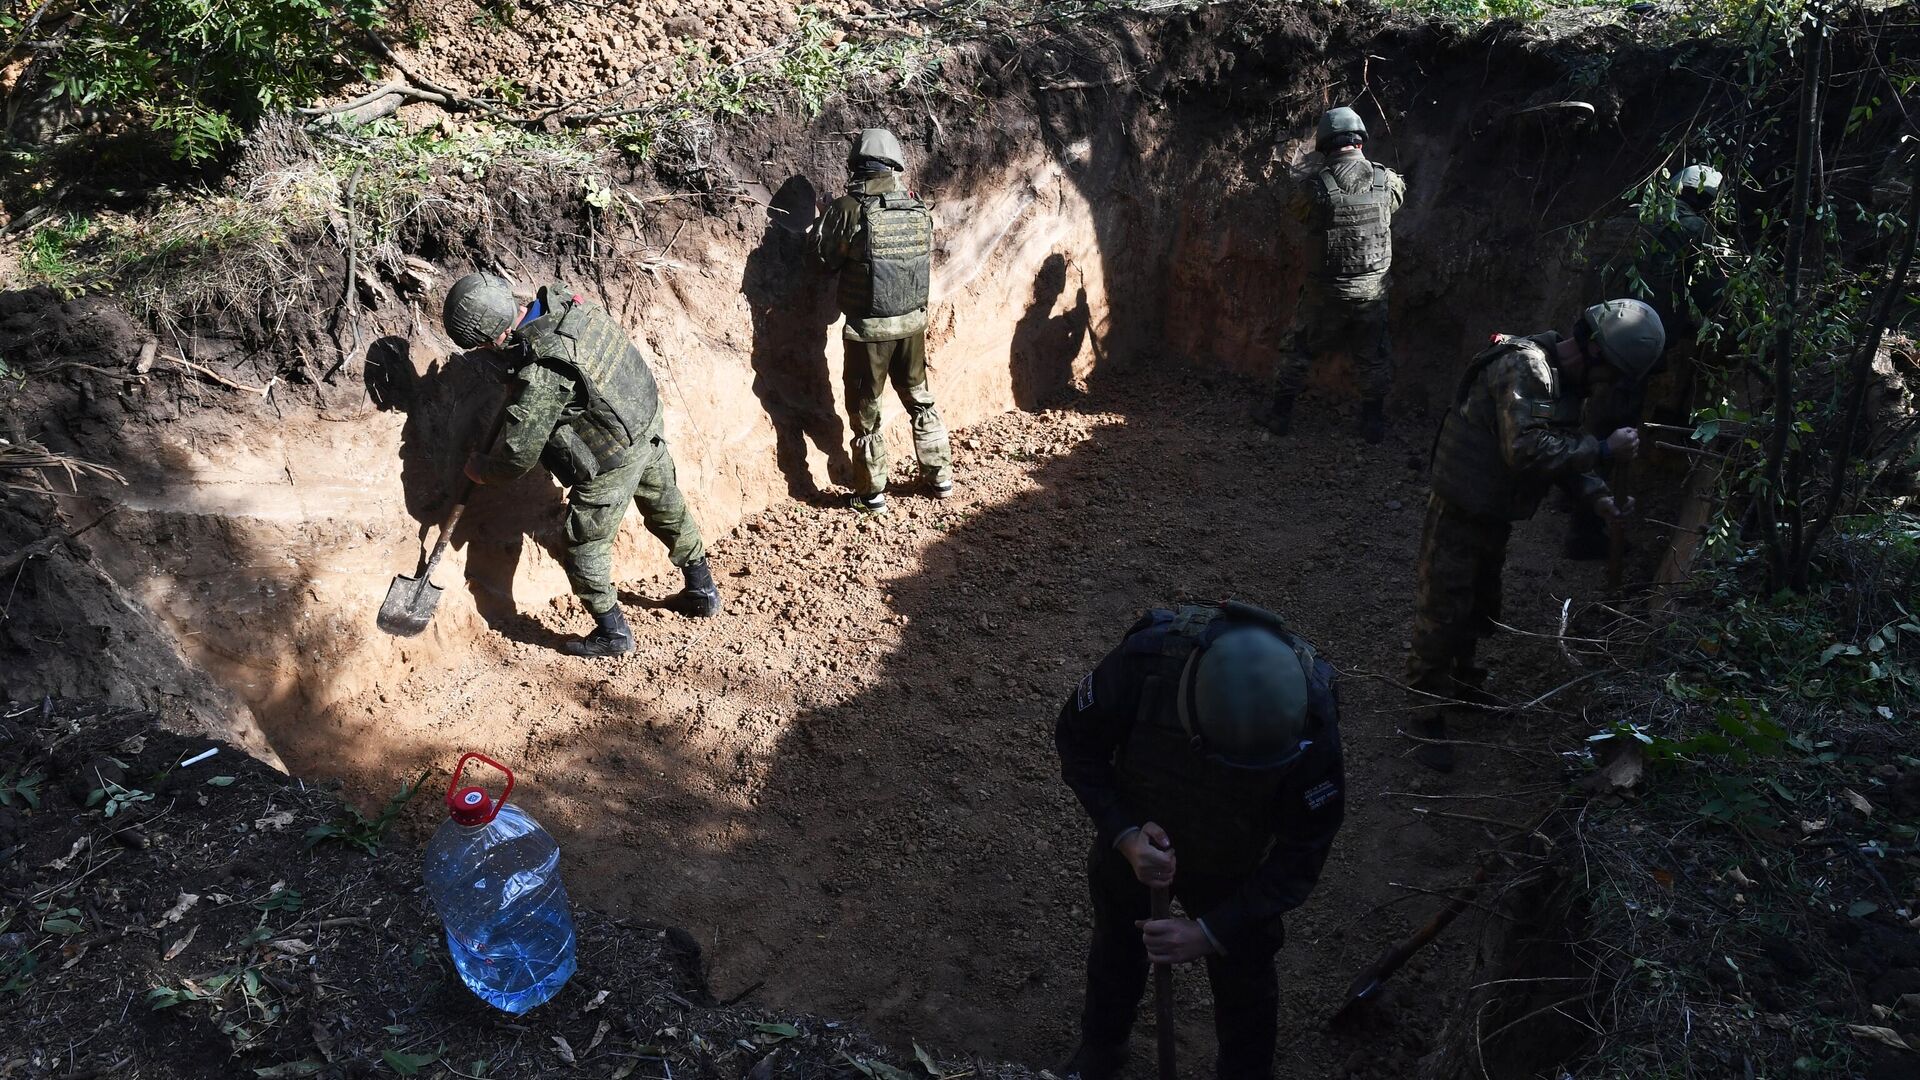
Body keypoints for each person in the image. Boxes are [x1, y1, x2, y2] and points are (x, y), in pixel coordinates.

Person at [1055, 601, 1346, 1080]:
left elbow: (1304, 848)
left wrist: (1211, 932)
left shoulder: (1311, 712)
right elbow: (1078, 744)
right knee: (1119, 943)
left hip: (1238, 859)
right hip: (1140, 838)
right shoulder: (1145, 662)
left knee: (1245, 971)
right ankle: (1103, 1047)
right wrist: (1126, 834)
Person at [1405, 299, 1665, 772]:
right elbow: (1526, 451)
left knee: (1479, 601)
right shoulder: (1525, 369)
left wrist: (1597, 497)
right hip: (1461, 509)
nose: (1606, 390)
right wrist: (1605, 449)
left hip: (1491, 511)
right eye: (1611, 376)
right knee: (1443, 607)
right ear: (1595, 355)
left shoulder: (1560, 380)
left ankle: (1464, 684)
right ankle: (1423, 712)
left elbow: (1561, 446)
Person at [442, 273, 721, 657]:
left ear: (495, 337)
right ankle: (702, 588)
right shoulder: (564, 303)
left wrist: (483, 470)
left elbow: (518, 457)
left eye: (483, 346)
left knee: (582, 545)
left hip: (613, 457)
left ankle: (612, 633)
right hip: (645, 423)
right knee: (665, 505)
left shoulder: (542, 371)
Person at [1565, 164, 1726, 558]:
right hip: (1629, 350)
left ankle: (1570, 493)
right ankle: (1588, 533)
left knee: (1575, 416)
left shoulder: (1627, 215)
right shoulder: (1695, 232)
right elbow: (1712, 296)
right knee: (1615, 434)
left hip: (1589, 334)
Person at [813, 126, 954, 513]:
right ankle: (939, 475)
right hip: (912, 324)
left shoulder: (849, 207)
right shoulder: (915, 205)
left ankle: (871, 491)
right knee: (920, 399)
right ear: (895, 164)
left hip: (868, 332)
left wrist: (825, 216)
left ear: (857, 164)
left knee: (866, 411)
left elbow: (824, 261)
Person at [1257, 106, 1407, 444]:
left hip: (1326, 294)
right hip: (1372, 290)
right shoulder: (1387, 180)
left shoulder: (1317, 188)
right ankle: (1372, 424)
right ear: (1361, 141)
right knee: (1374, 355)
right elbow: (1395, 204)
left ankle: (1279, 416)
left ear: (1325, 145)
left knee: (1297, 350)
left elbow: (1298, 213)